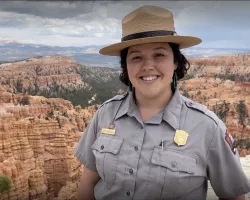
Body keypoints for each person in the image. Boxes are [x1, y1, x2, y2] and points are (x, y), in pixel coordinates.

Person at [74, 5, 250, 200]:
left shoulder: (207, 127)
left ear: (175, 61)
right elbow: (88, 183)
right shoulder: (105, 114)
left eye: (159, 55)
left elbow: (233, 197)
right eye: (136, 57)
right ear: (125, 66)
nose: (148, 66)